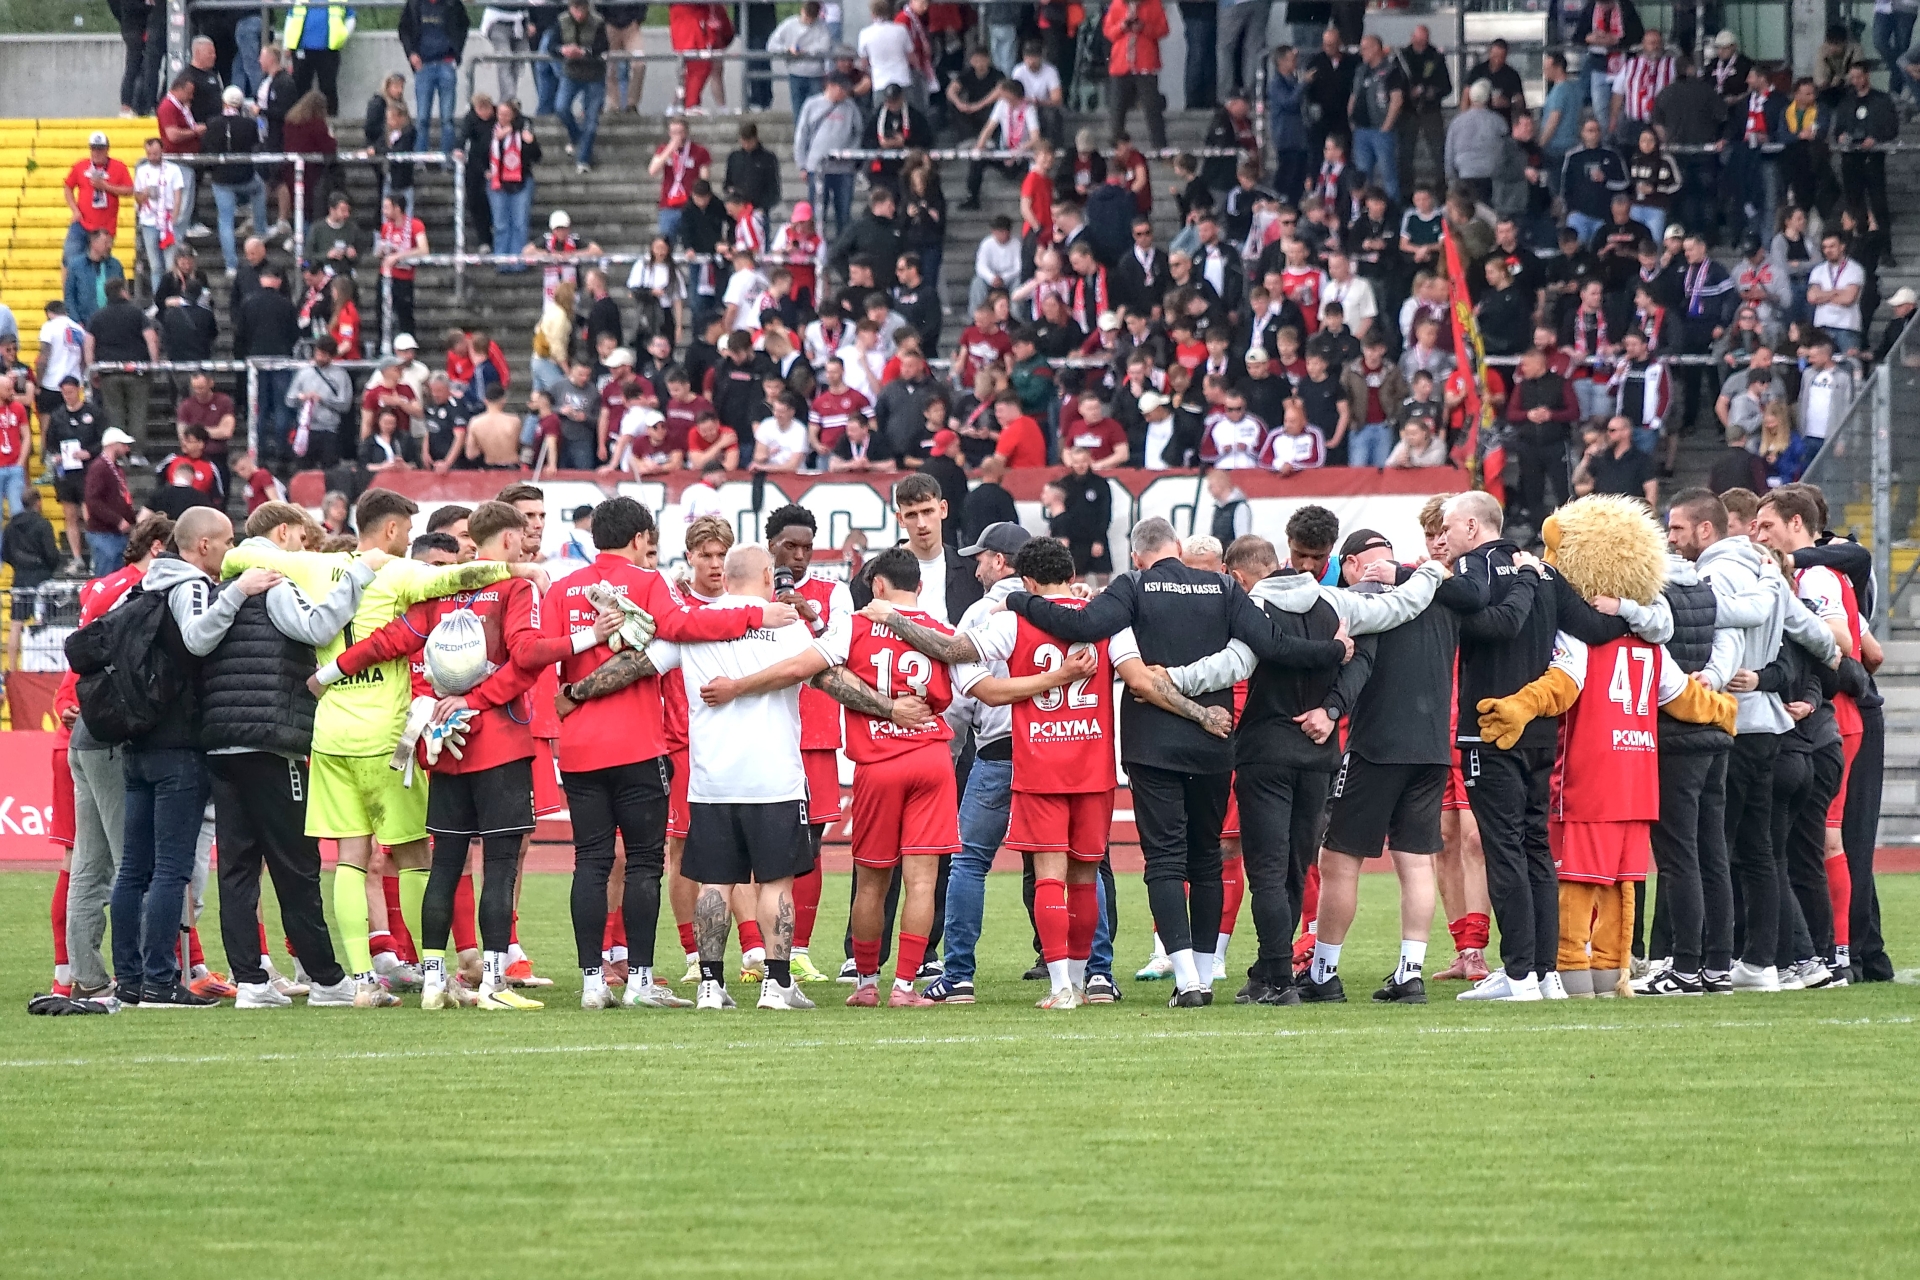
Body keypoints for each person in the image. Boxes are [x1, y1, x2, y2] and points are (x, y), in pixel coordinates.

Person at [226, 489, 543, 1008]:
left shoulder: (312, 565)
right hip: (386, 736)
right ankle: (432, 972)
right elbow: (456, 579)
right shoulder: (399, 572)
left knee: (350, 860)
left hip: (331, 733)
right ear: (393, 530)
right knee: (418, 857)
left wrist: (241, 578)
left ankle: (361, 982)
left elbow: (238, 554)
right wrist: (520, 570)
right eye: (408, 530)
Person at [1104, 0, 1168, 148]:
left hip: (1145, 63)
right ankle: (1116, 148)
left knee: (1152, 108)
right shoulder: (1117, 4)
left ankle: (1159, 147)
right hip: (1121, 64)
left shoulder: (1154, 4)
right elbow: (1108, 31)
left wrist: (1144, 27)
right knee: (1117, 110)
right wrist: (1122, 26)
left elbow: (1163, 29)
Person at [554, 0, 608, 174]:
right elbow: (551, 45)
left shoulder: (598, 22)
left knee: (591, 121)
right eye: (575, 9)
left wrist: (585, 52)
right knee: (561, 107)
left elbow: (603, 46)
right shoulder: (561, 21)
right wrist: (562, 50)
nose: (578, 13)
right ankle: (576, 135)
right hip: (571, 73)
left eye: (582, 8)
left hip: (594, 75)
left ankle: (583, 159)